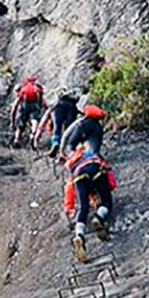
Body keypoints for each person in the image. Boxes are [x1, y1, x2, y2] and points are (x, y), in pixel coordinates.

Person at [62, 104, 114, 262]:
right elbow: (110, 181)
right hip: (95, 166)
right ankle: (99, 217)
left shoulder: (73, 162)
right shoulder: (97, 130)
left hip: (78, 174)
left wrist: (69, 208)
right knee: (106, 201)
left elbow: (69, 192)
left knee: (83, 207)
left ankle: (79, 236)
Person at [33, 90, 79, 155]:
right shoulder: (72, 103)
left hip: (58, 108)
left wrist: (38, 134)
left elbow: (44, 120)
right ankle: (68, 149)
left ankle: (56, 143)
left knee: (57, 127)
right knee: (69, 130)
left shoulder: (54, 105)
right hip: (72, 108)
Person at [9, 74, 46, 147]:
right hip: (35, 106)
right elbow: (44, 103)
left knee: (20, 125)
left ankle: (16, 139)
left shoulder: (23, 89)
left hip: (24, 107)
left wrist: (12, 121)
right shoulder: (37, 89)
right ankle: (32, 135)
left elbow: (15, 105)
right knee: (34, 120)